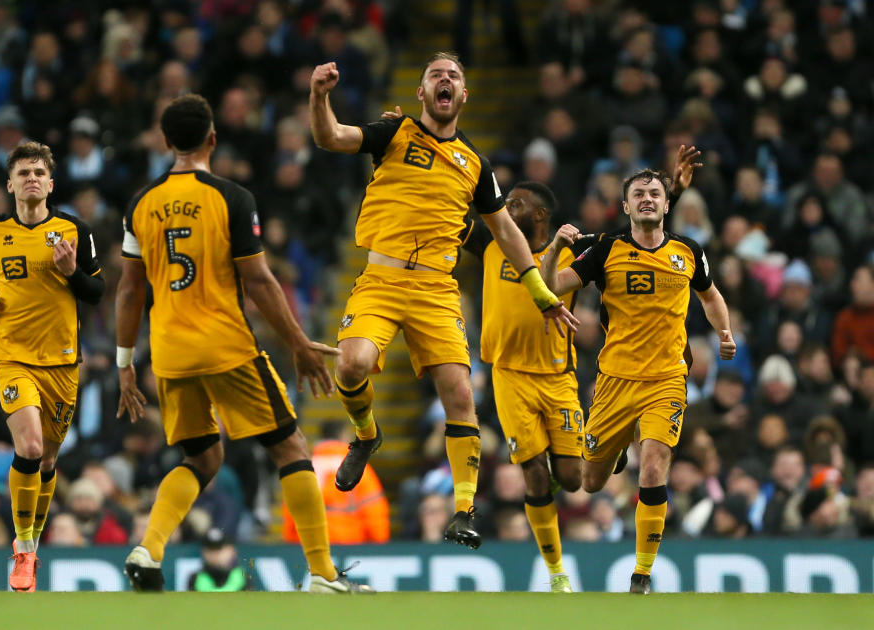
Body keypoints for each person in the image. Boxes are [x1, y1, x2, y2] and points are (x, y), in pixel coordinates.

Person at [309, 52, 578, 550]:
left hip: (435, 289)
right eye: (436, 75)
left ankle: (463, 510)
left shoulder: (475, 164)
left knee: (460, 394)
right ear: (422, 91)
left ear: (464, 95)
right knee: (352, 366)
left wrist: (540, 291)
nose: (445, 80)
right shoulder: (394, 134)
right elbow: (330, 137)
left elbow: (505, 233)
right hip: (382, 279)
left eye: (454, 75)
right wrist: (319, 95)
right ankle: (366, 435)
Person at [116, 94, 371, 594]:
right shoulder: (232, 197)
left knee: (203, 459)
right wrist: (298, 341)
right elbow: (258, 280)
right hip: (224, 345)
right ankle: (321, 573)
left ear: (167, 142)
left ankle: (149, 548)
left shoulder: (140, 204)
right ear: (212, 138)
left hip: (168, 352)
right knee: (290, 446)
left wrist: (126, 364)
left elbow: (128, 289)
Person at [544, 166, 735, 594]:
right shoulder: (606, 249)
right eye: (639, 194)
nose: (647, 198)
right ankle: (613, 456)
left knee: (654, 464)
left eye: (655, 193)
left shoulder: (689, 251)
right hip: (615, 381)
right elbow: (550, 286)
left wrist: (724, 332)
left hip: (667, 380)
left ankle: (642, 574)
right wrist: (556, 245)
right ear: (626, 205)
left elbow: (710, 295)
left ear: (668, 205)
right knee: (590, 482)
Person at [0, 141, 104, 592]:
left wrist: (70, 272)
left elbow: (97, 293)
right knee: (28, 446)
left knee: (46, 459)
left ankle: (33, 543)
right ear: (10, 184)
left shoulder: (74, 231)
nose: (31, 178)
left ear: (50, 183)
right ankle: (23, 549)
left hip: (62, 362)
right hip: (10, 356)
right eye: (23, 172)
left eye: (38, 172)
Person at [461, 181, 586, 592]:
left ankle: (588, 451)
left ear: (539, 216)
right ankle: (556, 572)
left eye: (515, 203)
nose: (504, 206)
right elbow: (447, 212)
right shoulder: (491, 240)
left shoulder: (571, 252)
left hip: (557, 376)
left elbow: (550, 290)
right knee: (533, 475)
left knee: (570, 480)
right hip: (509, 374)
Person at [282, 421, 389, 545]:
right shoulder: (360, 469)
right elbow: (373, 511)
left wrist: (291, 542)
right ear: (343, 436)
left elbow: (291, 512)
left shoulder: (303, 469)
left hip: (312, 546)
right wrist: (379, 543)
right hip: (349, 545)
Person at [187, 527, 251, 592]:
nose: (214, 554)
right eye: (210, 549)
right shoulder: (196, 579)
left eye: (219, 549)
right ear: (203, 552)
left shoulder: (243, 577)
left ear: (231, 550)